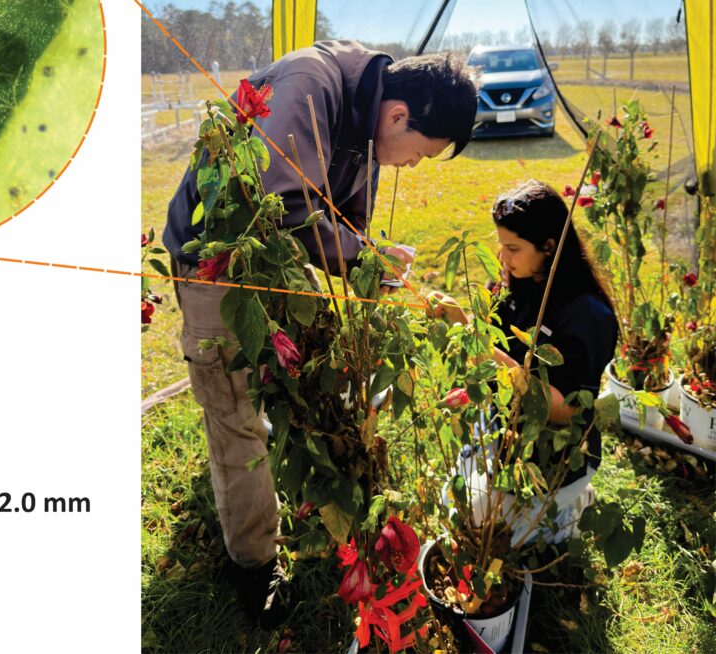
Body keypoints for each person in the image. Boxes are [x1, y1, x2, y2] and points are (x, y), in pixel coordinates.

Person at [162, 41, 479, 626]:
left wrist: (371, 256)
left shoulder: (366, 120)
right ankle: (255, 565)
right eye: (419, 154)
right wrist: (363, 256)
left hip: (275, 263)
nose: (410, 166)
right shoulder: (312, 83)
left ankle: (302, 493)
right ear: (399, 116)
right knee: (234, 412)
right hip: (218, 261)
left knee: (300, 376)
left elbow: (344, 222)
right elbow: (280, 202)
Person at [431, 179, 618, 543]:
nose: (502, 258)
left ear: (549, 247)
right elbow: (491, 349)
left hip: (557, 453)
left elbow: (564, 410)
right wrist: (463, 323)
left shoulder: (588, 317)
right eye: (501, 246)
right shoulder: (515, 281)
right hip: (504, 432)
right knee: (460, 510)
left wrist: (481, 345)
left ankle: (571, 509)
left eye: (513, 248)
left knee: (489, 531)